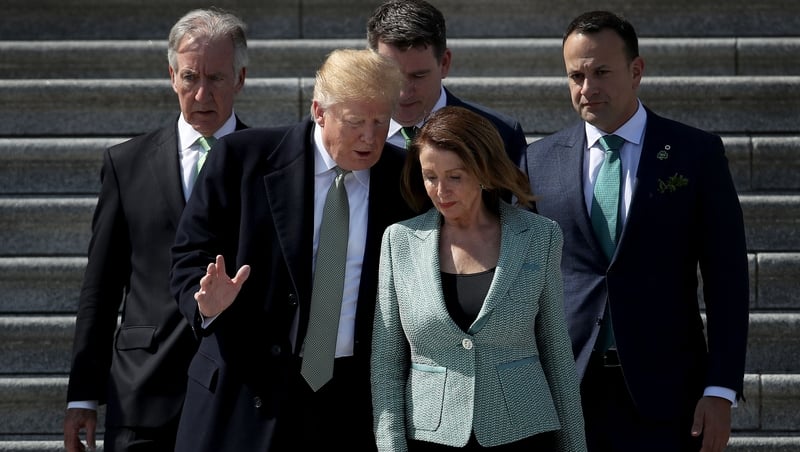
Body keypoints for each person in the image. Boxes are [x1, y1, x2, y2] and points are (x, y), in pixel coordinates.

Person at [524, 10, 750, 452]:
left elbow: (727, 279)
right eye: (575, 75)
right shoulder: (538, 161)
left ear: (636, 70)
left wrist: (721, 389)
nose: (587, 88)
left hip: (668, 398)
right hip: (566, 395)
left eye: (601, 72)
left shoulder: (695, 153)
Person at [169, 48, 410, 452]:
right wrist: (207, 304)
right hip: (246, 396)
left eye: (380, 122)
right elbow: (188, 255)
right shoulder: (243, 159)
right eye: (355, 123)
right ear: (319, 111)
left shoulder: (404, 177)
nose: (370, 138)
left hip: (351, 402)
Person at [62, 7, 248, 452]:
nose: (202, 93)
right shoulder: (126, 164)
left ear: (240, 78)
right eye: (190, 77)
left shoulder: (269, 164)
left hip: (235, 392)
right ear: (171, 75)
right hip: (142, 392)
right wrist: (83, 393)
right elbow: (101, 287)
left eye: (217, 79)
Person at [371, 106, 587, 451]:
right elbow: (387, 363)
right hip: (430, 435)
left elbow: (556, 350)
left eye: (455, 177)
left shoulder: (539, 236)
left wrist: (575, 445)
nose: (441, 190)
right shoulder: (399, 241)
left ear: (483, 172)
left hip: (524, 432)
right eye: (431, 177)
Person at [366, 0, 527, 167]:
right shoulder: (348, 136)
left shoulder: (501, 134)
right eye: (391, 76)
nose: (403, 93)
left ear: (444, 63)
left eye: (418, 75)